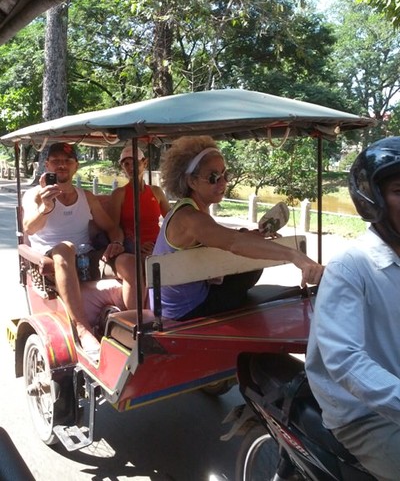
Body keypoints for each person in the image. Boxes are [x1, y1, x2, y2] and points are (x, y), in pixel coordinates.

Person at [305, 137, 400, 480]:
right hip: (364, 414)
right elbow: (345, 359)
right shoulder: (352, 266)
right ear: (372, 200)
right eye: (399, 191)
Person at [151, 135, 323, 321]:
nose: (223, 182)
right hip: (185, 310)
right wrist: (294, 255)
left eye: (225, 175)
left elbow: (222, 238)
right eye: (213, 177)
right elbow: (233, 242)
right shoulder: (190, 218)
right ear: (192, 182)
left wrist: (253, 236)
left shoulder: (192, 209)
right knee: (252, 264)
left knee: (250, 255)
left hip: (187, 297)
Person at [22, 142, 141, 357]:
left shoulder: (86, 197)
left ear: (76, 166)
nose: (62, 165)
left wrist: (117, 242)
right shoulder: (35, 195)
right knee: (65, 248)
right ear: (47, 165)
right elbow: (29, 228)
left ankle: (130, 326)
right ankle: (82, 329)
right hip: (51, 262)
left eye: (67, 161)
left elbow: (112, 228)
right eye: (56, 161)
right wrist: (45, 208)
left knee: (130, 262)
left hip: (87, 258)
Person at [108, 145, 170, 260]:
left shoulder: (156, 191)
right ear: (122, 167)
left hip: (158, 245)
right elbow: (114, 228)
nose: (131, 167)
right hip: (132, 247)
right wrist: (134, 245)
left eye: (135, 163)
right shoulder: (119, 194)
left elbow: (172, 220)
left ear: (145, 163)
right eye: (126, 164)